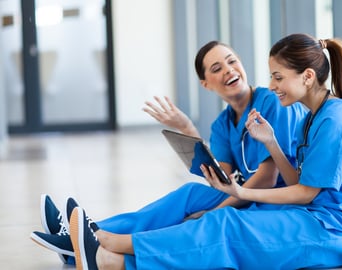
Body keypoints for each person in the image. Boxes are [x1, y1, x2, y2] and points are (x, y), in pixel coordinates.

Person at [65, 33, 342, 269]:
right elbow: (298, 183)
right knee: (197, 202)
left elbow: (301, 191)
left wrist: (237, 195)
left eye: (278, 77)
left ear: (308, 76)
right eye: (216, 68)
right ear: (206, 82)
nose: (272, 85)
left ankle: (109, 248)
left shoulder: (334, 117)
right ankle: (98, 244)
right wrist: (271, 143)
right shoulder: (313, 119)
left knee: (226, 225)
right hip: (316, 213)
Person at [30, 40, 306, 267]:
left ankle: (85, 239)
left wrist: (214, 210)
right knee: (188, 194)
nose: (229, 70)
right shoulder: (222, 123)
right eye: (217, 68)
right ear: (205, 83)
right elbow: (219, 177)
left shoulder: (271, 102)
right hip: (246, 193)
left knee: (210, 217)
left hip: (272, 198)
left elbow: (268, 179)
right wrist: (187, 129)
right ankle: (83, 235)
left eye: (232, 61)